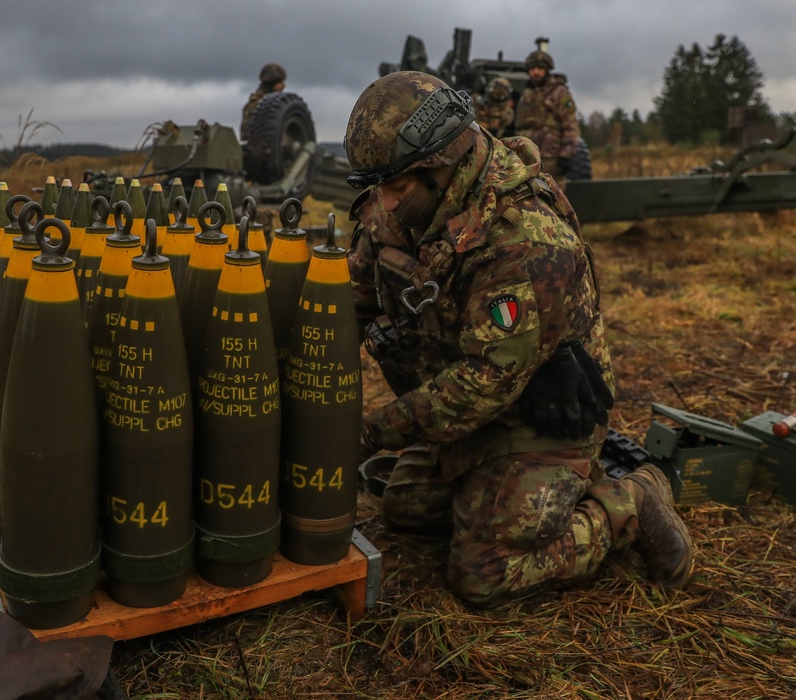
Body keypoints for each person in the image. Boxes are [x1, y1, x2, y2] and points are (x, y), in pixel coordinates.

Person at [344, 70, 693, 608]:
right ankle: (498, 494)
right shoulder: (392, 207)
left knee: (483, 572)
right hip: (467, 415)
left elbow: (483, 382)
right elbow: (357, 300)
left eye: (397, 188)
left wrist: (368, 432)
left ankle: (627, 501)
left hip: (540, 416)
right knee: (405, 508)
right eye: (378, 187)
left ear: (443, 165)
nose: (384, 204)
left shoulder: (524, 235)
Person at [514, 49, 580, 181]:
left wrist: (566, 155)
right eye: (532, 69)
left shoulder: (558, 93)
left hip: (550, 160)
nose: (536, 72)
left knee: (552, 197)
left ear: (546, 70)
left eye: (539, 68)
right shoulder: (526, 94)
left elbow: (570, 125)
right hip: (524, 159)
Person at [240, 63, 287, 141]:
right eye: (280, 82)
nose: (284, 86)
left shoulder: (273, 105)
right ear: (271, 83)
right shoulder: (258, 106)